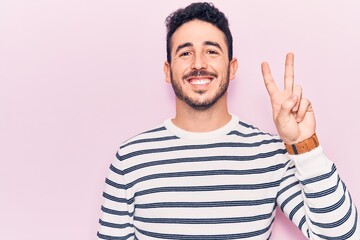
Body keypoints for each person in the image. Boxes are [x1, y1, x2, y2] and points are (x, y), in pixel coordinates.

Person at [97, 2, 359, 239]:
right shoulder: (130, 159)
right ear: (168, 71)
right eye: (185, 53)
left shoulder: (269, 154)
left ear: (232, 67)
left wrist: (305, 146)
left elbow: (343, 237)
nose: (198, 64)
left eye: (212, 51)